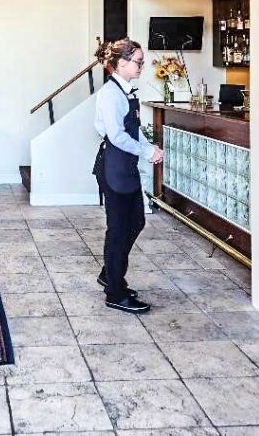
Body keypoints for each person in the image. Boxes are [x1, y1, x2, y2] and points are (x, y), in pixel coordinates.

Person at [93, 38, 164, 314]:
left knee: (136, 221)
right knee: (119, 229)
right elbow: (117, 136)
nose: (141, 66)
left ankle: (108, 274)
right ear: (121, 63)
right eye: (138, 62)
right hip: (114, 168)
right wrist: (147, 153)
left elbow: (132, 133)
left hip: (127, 166)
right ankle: (115, 291)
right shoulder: (110, 94)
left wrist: (148, 148)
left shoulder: (127, 91)